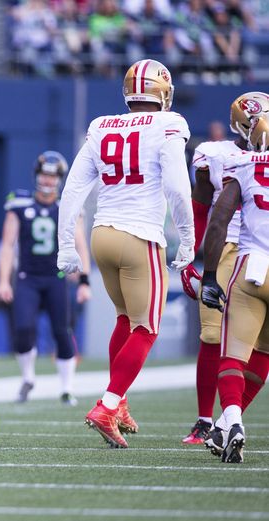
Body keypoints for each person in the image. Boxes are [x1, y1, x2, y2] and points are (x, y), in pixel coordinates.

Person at [57, 59, 194, 449]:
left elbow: (72, 191)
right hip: (140, 237)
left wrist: (68, 244)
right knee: (146, 329)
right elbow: (177, 187)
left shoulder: (101, 126)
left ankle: (119, 404)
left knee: (125, 319)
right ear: (163, 92)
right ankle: (108, 404)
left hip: (102, 235)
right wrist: (188, 236)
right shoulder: (170, 124)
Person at [178, 93, 252, 444]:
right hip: (225, 247)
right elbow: (202, 205)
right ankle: (206, 420)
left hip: (258, 250)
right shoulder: (216, 153)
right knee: (211, 334)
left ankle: (227, 420)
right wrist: (192, 254)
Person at [200, 94, 269, 464]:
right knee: (263, 355)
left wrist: (210, 274)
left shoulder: (241, 163)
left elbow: (219, 219)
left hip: (252, 267)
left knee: (232, 355)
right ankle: (227, 425)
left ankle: (232, 421)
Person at [0, 151, 91, 405]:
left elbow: (81, 244)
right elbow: (7, 245)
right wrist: (4, 280)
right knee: (24, 329)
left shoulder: (66, 207)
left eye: (53, 176)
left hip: (56, 277)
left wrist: (84, 281)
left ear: (59, 179)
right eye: (44, 175)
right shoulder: (19, 204)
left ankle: (67, 387)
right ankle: (28, 378)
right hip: (27, 277)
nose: (48, 180)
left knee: (62, 331)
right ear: (36, 175)